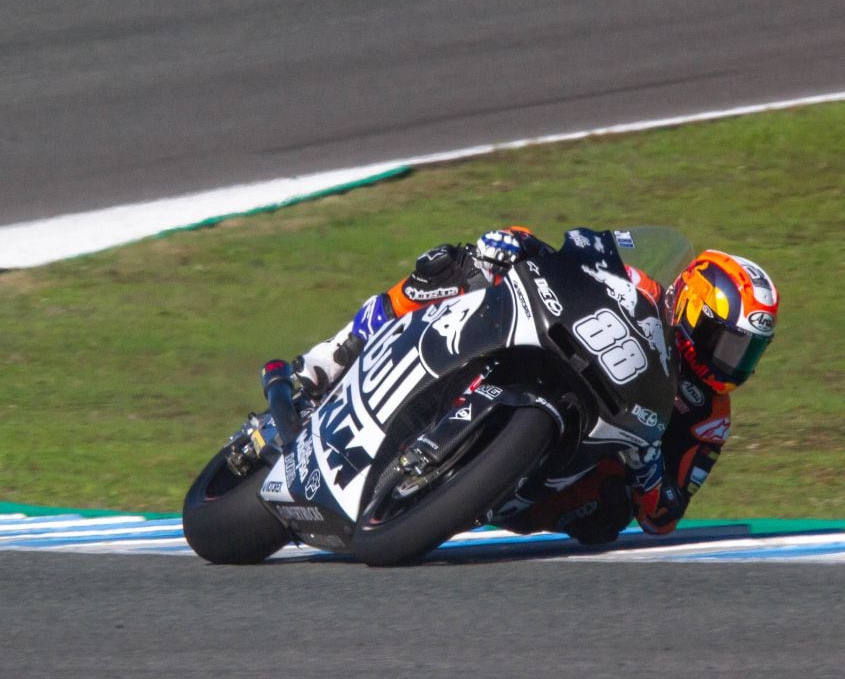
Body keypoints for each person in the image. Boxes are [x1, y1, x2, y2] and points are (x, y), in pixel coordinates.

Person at [289, 227, 780, 544]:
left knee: (605, 516)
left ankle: (485, 489)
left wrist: (649, 467)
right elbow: (579, 251)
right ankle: (337, 353)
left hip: (575, 459)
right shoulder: (643, 287)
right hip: (554, 350)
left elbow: (664, 518)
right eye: (728, 342)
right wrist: (517, 245)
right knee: (454, 265)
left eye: (747, 352)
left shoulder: (710, 415)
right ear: (694, 307)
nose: (733, 362)